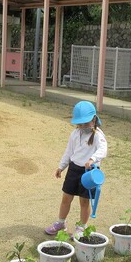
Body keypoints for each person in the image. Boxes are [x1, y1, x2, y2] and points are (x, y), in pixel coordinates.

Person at [46, 100, 107, 238]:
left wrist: (93, 159)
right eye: (79, 123)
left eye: (85, 123)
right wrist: (61, 167)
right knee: (66, 198)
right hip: (73, 170)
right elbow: (69, 151)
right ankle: (61, 223)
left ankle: (82, 227)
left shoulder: (98, 135)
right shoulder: (75, 134)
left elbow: (103, 150)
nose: (82, 126)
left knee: (84, 201)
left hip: (89, 173)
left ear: (93, 119)